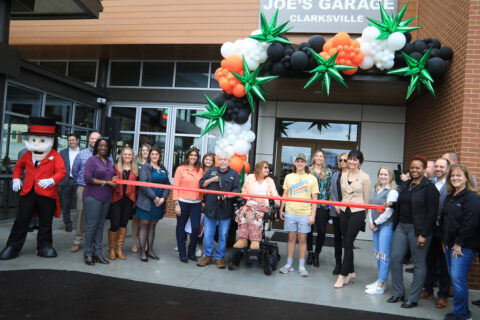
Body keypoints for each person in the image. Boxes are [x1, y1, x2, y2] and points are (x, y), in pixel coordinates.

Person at [0, 117, 66, 260]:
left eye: (42, 140)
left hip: (47, 193)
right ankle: (13, 246)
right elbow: (18, 166)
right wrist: (16, 178)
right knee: (21, 220)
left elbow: (62, 172)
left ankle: (44, 246)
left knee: (45, 222)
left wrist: (51, 180)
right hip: (28, 192)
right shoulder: (27, 154)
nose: (37, 144)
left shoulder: (55, 156)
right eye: (34, 140)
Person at [387, 155, 439, 308]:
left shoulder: (429, 188)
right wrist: (391, 204)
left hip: (419, 230)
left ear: (424, 170)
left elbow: (431, 213)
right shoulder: (407, 184)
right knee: (395, 258)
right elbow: (404, 204)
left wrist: (424, 234)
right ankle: (398, 293)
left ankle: (413, 297)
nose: (414, 170)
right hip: (402, 227)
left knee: (419, 263)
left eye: (418, 168)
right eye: (412, 167)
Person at [441, 164, 480, 320]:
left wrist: (459, 243)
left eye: (459, 176)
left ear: (466, 178)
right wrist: (444, 241)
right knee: (455, 278)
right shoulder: (451, 196)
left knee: (458, 279)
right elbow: (445, 220)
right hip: (449, 245)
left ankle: (462, 314)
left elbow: (470, 223)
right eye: (452, 176)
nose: (455, 178)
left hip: (463, 247)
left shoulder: (472, 197)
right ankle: (462, 311)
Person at [334, 150, 371, 288]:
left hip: (358, 211)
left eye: (355, 160)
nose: (352, 162)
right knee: (346, 242)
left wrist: (363, 216)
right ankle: (351, 271)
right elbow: (342, 194)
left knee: (348, 242)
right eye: (350, 159)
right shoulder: (343, 175)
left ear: (360, 162)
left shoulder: (365, 177)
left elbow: (367, 199)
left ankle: (342, 275)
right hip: (344, 210)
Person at [197, 152, 240, 268]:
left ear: (228, 161)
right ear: (217, 161)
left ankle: (219, 258)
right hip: (211, 208)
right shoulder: (211, 171)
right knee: (208, 234)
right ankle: (207, 256)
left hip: (225, 209)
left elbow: (237, 191)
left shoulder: (234, 174)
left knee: (223, 234)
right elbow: (201, 184)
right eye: (220, 159)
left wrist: (226, 195)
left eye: (224, 159)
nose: (222, 161)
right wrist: (212, 180)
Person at [278, 153, 319, 277]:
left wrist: (313, 215)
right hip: (290, 212)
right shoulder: (289, 177)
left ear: (306, 163)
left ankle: (301, 266)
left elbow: (315, 198)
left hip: (305, 213)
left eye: (302, 161)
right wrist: (281, 209)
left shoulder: (312, 178)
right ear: (295, 163)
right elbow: (284, 194)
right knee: (291, 238)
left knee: (302, 240)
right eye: (298, 161)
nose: (300, 163)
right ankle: (289, 264)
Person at [421, 158, 451, 308]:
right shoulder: (429, 182)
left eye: (442, 167)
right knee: (429, 260)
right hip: (430, 228)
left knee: (444, 263)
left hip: (444, 230)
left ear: (447, 168)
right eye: (437, 166)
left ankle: (443, 295)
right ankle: (428, 289)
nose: (438, 169)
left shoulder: (451, 184)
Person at [365, 166, 399, 295]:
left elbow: (388, 212)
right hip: (375, 226)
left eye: (386, 175)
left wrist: (375, 222)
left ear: (390, 176)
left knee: (384, 256)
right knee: (378, 254)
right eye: (381, 174)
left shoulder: (393, 191)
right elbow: (370, 206)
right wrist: (370, 222)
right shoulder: (376, 188)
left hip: (385, 226)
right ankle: (380, 280)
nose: (383, 177)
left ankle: (381, 284)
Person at [82, 137, 116, 266]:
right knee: (92, 226)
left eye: (105, 146)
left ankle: (98, 253)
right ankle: (88, 253)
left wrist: (114, 178)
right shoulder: (92, 160)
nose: (103, 148)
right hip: (93, 197)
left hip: (106, 197)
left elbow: (109, 175)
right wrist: (105, 182)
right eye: (100, 145)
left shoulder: (108, 161)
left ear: (108, 148)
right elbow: (87, 178)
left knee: (101, 226)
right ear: (96, 146)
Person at [234, 161, 279, 250]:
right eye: (265, 167)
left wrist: (277, 202)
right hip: (251, 203)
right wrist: (252, 198)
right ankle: (244, 239)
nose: (268, 169)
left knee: (246, 211)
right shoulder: (250, 178)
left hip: (263, 205)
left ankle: (253, 240)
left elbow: (274, 193)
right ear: (259, 168)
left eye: (268, 168)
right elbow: (244, 193)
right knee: (245, 211)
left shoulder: (270, 180)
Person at [135, 146, 170, 262]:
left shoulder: (163, 168)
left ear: (160, 156)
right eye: (152, 154)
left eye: (157, 154)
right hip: (147, 201)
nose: (154, 156)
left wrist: (163, 198)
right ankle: (142, 252)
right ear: (149, 155)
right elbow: (143, 184)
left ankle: (150, 250)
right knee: (144, 225)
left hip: (159, 203)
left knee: (153, 225)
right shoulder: (146, 167)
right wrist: (154, 197)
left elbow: (167, 185)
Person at [70, 131, 102, 253]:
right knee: (81, 213)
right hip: (84, 188)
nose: (93, 140)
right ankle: (77, 241)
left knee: (95, 216)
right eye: (91, 138)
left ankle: (93, 241)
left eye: (96, 138)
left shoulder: (106, 155)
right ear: (88, 140)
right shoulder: (81, 154)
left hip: (99, 189)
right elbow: (75, 170)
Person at [173, 147, 204, 263]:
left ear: (197, 157)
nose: (193, 157)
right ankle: (182, 253)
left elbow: (201, 187)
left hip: (196, 204)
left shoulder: (200, 170)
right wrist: (176, 203)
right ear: (187, 156)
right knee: (181, 228)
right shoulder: (180, 169)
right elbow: (175, 187)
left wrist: (201, 200)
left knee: (196, 228)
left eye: (195, 155)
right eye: (191, 155)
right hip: (183, 202)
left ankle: (191, 252)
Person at [109, 147, 138, 260]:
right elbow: (110, 179)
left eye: (129, 154)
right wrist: (113, 178)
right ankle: (111, 248)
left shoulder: (135, 170)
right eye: (125, 154)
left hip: (129, 200)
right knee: (114, 224)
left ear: (132, 157)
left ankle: (119, 248)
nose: (127, 156)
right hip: (117, 199)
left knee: (123, 224)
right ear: (121, 156)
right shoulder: (116, 167)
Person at [306, 150, 332, 268]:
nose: (319, 158)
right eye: (317, 156)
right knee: (308, 230)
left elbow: (330, 190)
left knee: (321, 231)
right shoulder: (307, 170)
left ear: (324, 158)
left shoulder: (328, 172)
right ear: (314, 158)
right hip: (308, 204)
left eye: (321, 156)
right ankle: (310, 253)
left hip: (323, 205)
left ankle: (317, 254)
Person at [329, 152, 349, 275]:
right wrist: (336, 204)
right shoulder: (335, 175)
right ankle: (338, 264)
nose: (342, 162)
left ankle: (347, 265)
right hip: (336, 211)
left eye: (345, 160)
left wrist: (343, 205)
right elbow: (332, 190)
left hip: (348, 211)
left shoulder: (354, 176)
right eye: (340, 160)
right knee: (337, 239)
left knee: (347, 239)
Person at [132, 143, 151, 253]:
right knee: (135, 220)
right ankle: (135, 242)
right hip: (136, 194)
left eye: (146, 150)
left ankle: (146, 242)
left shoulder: (151, 164)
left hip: (147, 195)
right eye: (143, 150)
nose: (144, 152)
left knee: (146, 221)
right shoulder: (135, 164)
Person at [59, 134, 80, 232]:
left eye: (73, 140)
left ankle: (80, 224)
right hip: (66, 181)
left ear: (77, 140)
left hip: (78, 181)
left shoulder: (83, 152)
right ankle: (68, 223)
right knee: (65, 204)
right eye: (69, 140)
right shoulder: (62, 152)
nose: (71, 142)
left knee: (80, 204)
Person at [195, 152, 215, 258]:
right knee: (196, 225)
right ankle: (196, 246)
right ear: (203, 160)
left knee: (205, 227)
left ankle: (201, 248)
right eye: (206, 159)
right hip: (198, 200)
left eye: (210, 160)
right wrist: (201, 200)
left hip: (210, 202)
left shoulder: (215, 172)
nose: (208, 161)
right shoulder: (199, 170)